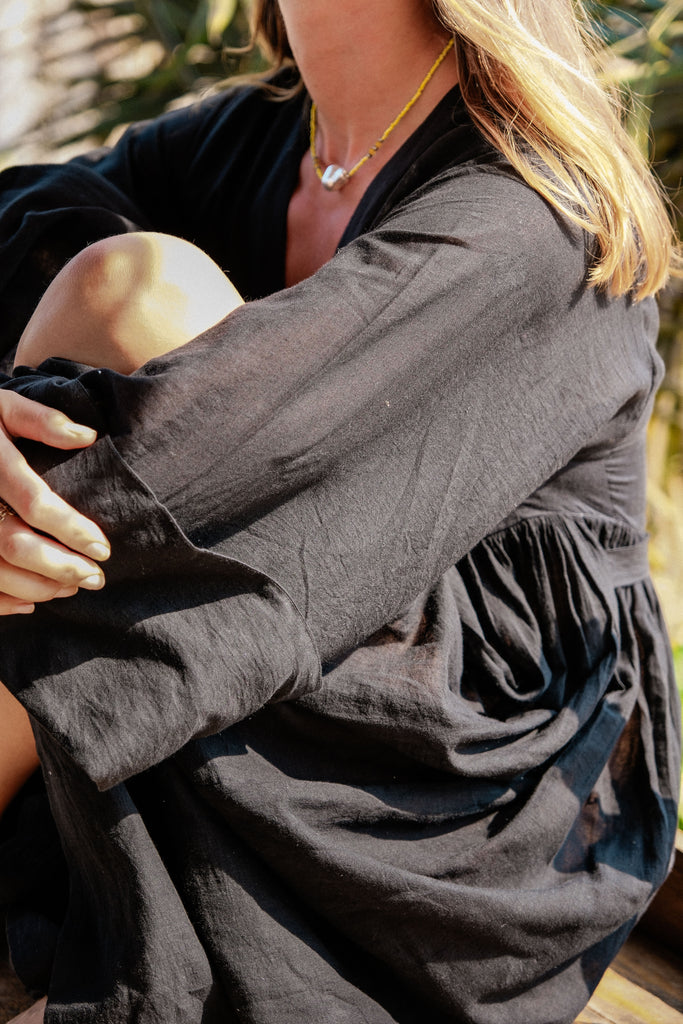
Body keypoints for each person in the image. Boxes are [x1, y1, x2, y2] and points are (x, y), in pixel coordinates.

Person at [0, 0, 680, 1021]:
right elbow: (28, 210)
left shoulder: (537, 205)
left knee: (137, 296)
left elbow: (223, 472)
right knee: (115, 294)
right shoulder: (277, 133)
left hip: (452, 796)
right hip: (266, 648)